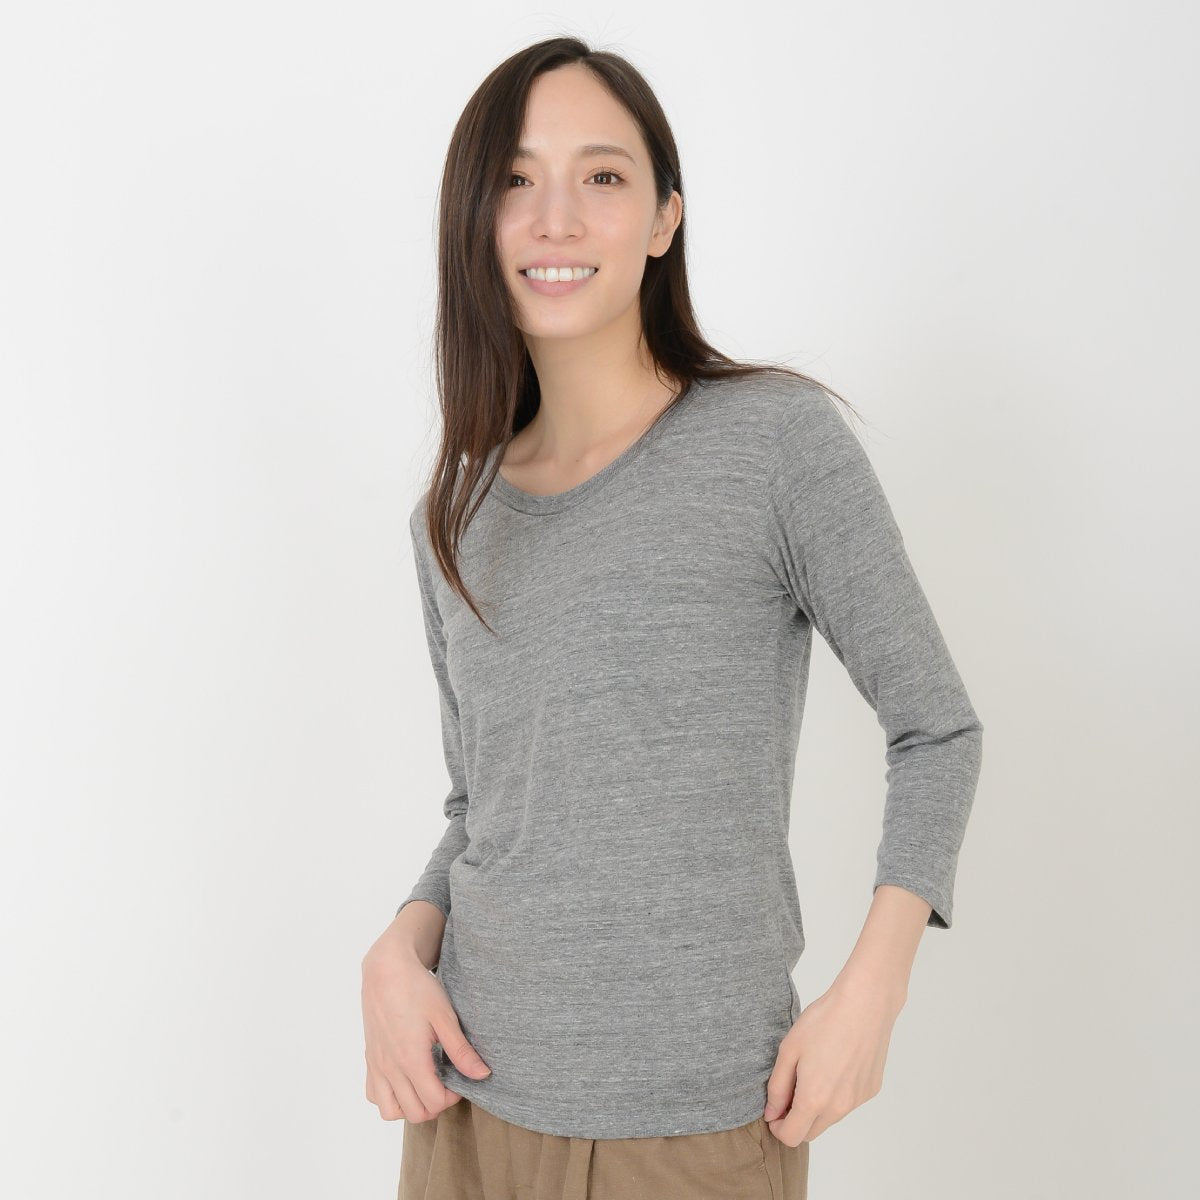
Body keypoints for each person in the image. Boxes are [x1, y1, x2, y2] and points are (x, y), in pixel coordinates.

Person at [361, 35, 984, 1200]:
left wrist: (873, 991)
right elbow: (481, 805)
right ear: (474, 221)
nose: (556, 217)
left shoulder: (774, 446)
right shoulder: (455, 514)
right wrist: (399, 945)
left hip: (694, 1126)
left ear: (663, 220)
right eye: (516, 178)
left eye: (601, 176)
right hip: (465, 1111)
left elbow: (936, 730)